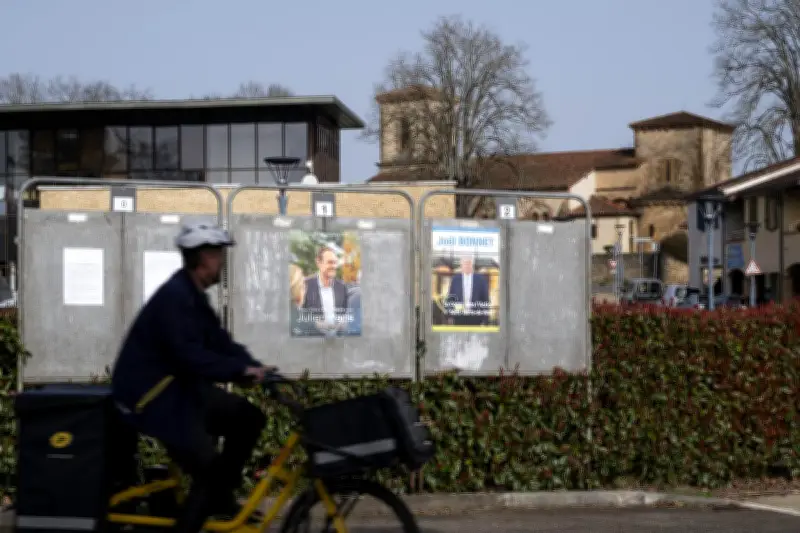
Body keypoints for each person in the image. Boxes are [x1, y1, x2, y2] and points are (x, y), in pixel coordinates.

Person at [110, 219, 272, 533]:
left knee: (248, 417)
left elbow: (219, 342)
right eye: (218, 255)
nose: (222, 262)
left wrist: (255, 367)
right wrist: (239, 371)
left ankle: (221, 496)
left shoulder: (193, 295)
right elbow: (190, 356)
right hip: (151, 397)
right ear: (203, 258)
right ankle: (207, 502)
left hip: (177, 389)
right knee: (208, 472)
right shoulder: (175, 297)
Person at [300, 246, 349, 335]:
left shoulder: (342, 287)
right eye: (330, 262)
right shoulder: (304, 285)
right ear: (318, 263)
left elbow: (345, 314)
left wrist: (343, 323)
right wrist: (316, 324)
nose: (334, 266)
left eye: (335, 263)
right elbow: (298, 316)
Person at [445, 254, 491, 327]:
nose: (466, 266)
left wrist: (485, 319)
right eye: (464, 263)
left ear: (472, 264)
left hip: (476, 317)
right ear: (461, 265)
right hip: (459, 317)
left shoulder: (481, 279)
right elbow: (451, 297)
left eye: (468, 263)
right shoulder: (455, 279)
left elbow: (485, 299)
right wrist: (449, 316)